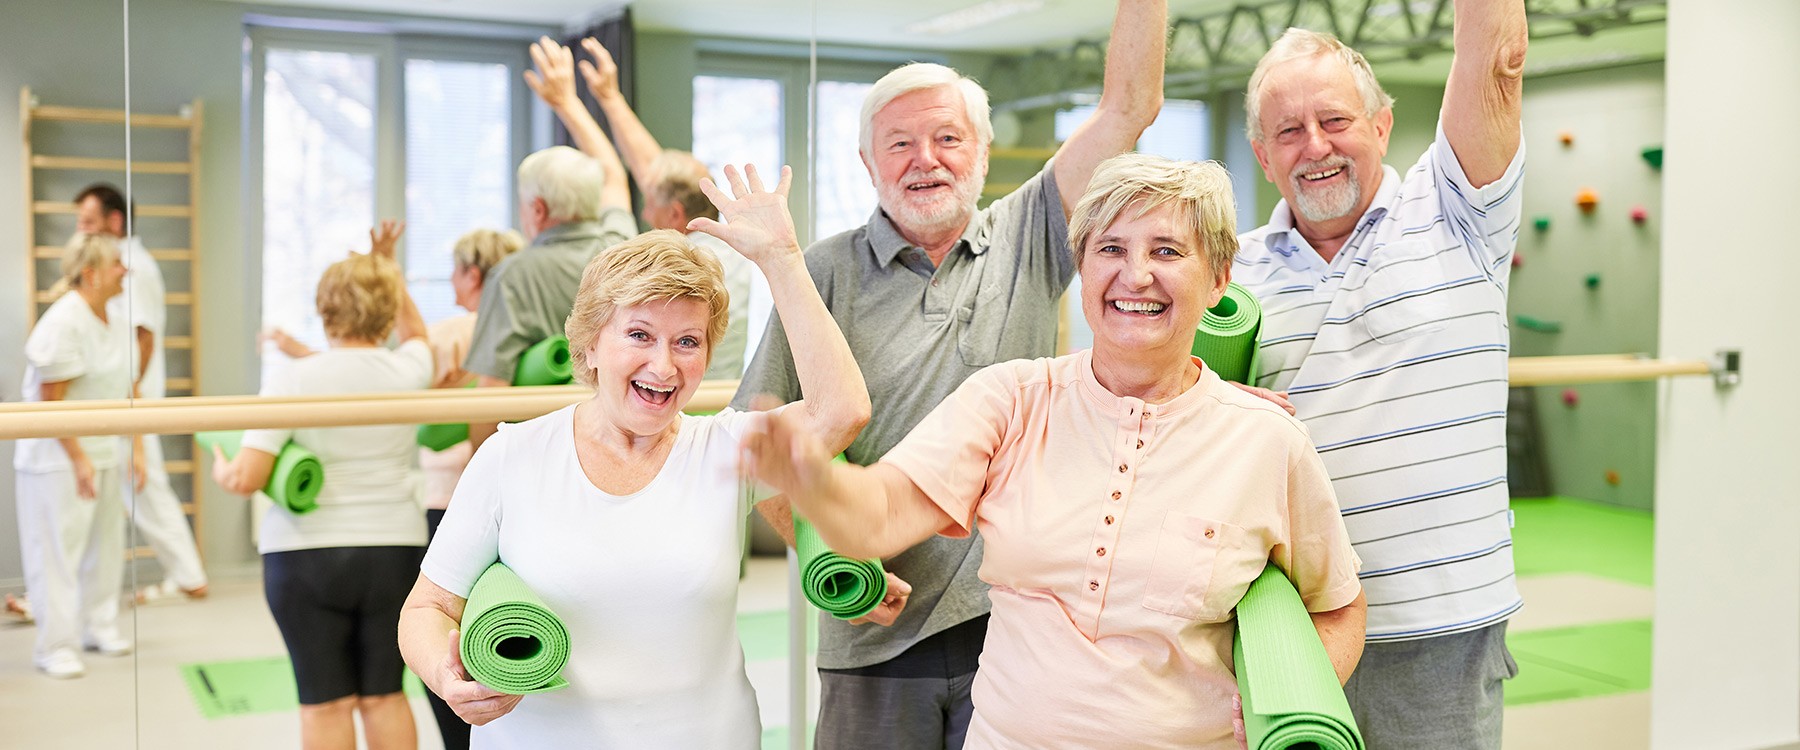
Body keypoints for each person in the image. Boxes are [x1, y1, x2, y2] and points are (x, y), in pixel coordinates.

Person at [740, 154, 1366, 748]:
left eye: (1167, 251)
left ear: (1219, 280)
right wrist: (810, 477)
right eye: (1111, 249)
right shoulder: (1012, 399)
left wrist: (1294, 699)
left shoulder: (1266, 440)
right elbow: (879, 515)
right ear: (1083, 269)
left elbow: (1338, 607)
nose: (1136, 274)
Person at [732, 2, 1169, 746]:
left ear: (984, 151)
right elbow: (763, 434)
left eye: (946, 138)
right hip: (874, 630)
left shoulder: (1031, 232)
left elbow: (1129, 107)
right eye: (899, 143)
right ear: (869, 164)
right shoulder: (823, 273)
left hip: (1018, 622)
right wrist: (825, 556)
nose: (924, 159)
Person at [397, 163, 869, 748]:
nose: (664, 366)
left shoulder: (726, 448)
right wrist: (446, 677)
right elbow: (427, 608)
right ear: (591, 344)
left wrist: (782, 261)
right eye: (640, 335)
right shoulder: (510, 455)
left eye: (687, 342)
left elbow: (841, 411)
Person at [1230, 2, 1528, 746]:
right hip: (1288, 632)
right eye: (1289, 132)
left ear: (1383, 127)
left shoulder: (1458, 211)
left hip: (1441, 633)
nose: (1316, 147)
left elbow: (1496, 58)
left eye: (1336, 121)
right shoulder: (1228, 272)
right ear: (1263, 157)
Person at [211, 222, 430, 750]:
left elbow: (249, 475)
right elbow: (419, 333)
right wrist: (389, 271)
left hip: (306, 559)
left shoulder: (294, 378)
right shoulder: (409, 370)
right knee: (385, 696)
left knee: (324, 703)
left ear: (324, 308)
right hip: (394, 552)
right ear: (384, 311)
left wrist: (223, 466)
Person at [525, 36, 766, 379]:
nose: (645, 216)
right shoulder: (732, 252)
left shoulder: (673, 268)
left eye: (650, 206)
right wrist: (609, 98)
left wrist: (567, 103)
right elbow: (662, 179)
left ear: (676, 216)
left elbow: (613, 177)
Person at [465, 74, 636, 449]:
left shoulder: (511, 275)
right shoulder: (621, 250)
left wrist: (473, 477)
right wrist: (568, 103)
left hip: (543, 448)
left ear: (537, 209)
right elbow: (615, 178)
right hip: (620, 438)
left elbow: (490, 394)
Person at [74, 183, 210, 603]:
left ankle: (190, 576)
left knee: (144, 487)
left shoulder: (132, 266)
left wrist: (130, 397)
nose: (82, 232)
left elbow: (143, 338)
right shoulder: (112, 261)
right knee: (129, 493)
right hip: (118, 395)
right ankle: (180, 576)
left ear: (114, 221)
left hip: (132, 397)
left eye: (89, 223)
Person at [14, 233, 141, 679]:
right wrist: (78, 459)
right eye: (116, 264)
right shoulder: (63, 322)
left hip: (104, 449)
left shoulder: (116, 315)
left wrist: (136, 449)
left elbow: (130, 388)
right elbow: (52, 402)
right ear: (91, 274)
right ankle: (55, 645)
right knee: (57, 553)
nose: (124, 270)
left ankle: (98, 625)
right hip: (55, 456)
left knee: (105, 548)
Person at [419, 227, 522, 750]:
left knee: (454, 642)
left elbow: (419, 409)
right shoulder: (522, 331)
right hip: (509, 500)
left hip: (450, 499)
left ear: (474, 273)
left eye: (458, 270)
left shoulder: (455, 333)